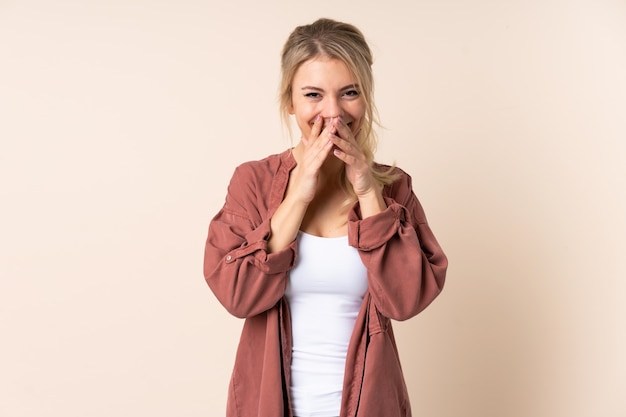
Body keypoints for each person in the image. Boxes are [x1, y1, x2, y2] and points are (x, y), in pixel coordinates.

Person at [203, 18, 448, 417]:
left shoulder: (393, 188)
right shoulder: (252, 182)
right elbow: (238, 296)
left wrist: (368, 191)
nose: (333, 113)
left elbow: (406, 301)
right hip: (268, 405)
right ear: (290, 102)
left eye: (349, 93)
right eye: (313, 95)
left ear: (365, 98)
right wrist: (298, 193)